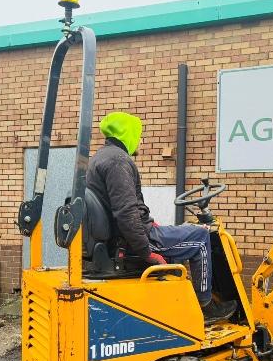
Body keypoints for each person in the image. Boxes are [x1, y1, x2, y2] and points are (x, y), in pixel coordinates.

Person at [86, 111, 237, 324]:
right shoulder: (118, 162)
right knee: (201, 237)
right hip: (133, 241)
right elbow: (126, 213)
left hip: (123, 236)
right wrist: (147, 252)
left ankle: (178, 302)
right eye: (138, 135)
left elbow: (127, 208)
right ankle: (205, 307)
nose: (139, 141)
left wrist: (150, 222)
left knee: (183, 231)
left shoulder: (102, 157)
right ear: (127, 134)